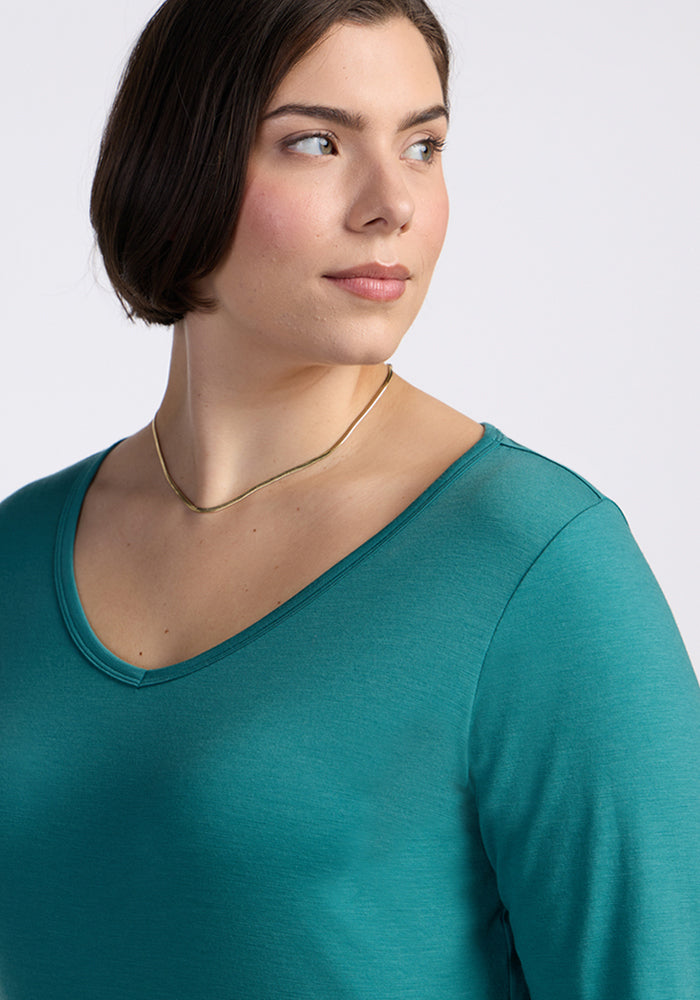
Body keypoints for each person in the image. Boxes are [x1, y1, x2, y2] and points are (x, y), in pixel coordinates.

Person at [0, 0, 698, 997]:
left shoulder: (538, 569)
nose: (391, 204)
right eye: (317, 141)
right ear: (176, 161)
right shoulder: (17, 555)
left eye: (422, 145)